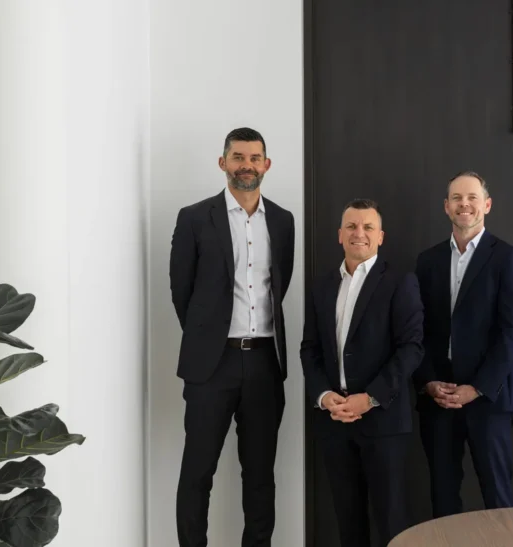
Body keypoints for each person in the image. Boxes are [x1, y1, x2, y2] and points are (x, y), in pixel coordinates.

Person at [170, 127, 295, 547]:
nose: (246, 165)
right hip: (212, 364)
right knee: (197, 472)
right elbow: (182, 291)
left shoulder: (283, 220)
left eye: (254, 158)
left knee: (260, 475)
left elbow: (280, 285)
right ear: (223, 162)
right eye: (238, 157)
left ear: (267, 165)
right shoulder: (194, 218)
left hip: (264, 362)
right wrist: (208, 337)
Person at [300, 199, 424, 547]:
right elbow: (310, 348)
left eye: (368, 227)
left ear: (380, 236)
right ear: (340, 234)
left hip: (384, 422)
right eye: (352, 226)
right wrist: (324, 396)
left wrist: (369, 398)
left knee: (392, 524)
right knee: (348, 523)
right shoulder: (322, 286)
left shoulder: (400, 282)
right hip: (334, 422)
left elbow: (412, 348)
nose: (359, 233)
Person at [413, 171, 513, 517]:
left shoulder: (508, 258)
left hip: (489, 398)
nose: (464, 204)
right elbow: (417, 330)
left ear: (487, 205)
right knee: (443, 499)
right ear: (446, 207)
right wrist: (428, 382)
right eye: (457, 198)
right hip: (439, 398)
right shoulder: (428, 261)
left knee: (498, 499)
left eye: (472, 198)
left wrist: (476, 388)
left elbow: (512, 333)